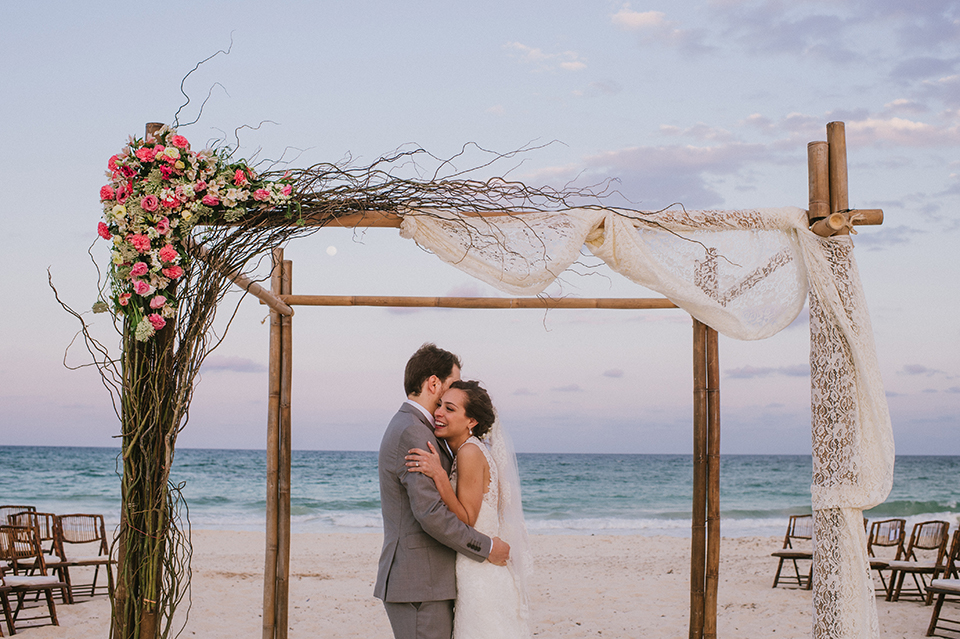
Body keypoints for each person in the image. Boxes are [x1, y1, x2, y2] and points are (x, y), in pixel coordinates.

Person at [375, 344, 511, 639]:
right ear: (433, 383)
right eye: (451, 386)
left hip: (430, 583)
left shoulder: (424, 429)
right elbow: (431, 514)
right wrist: (486, 548)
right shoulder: (413, 430)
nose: (453, 394)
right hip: (420, 583)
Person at [406, 380, 533, 639]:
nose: (439, 412)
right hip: (475, 567)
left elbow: (467, 518)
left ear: (471, 421)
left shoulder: (470, 453)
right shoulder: (469, 450)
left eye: (450, 409)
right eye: (440, 404)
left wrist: (439, 476)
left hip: (480, 573)